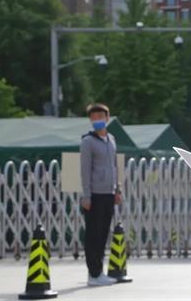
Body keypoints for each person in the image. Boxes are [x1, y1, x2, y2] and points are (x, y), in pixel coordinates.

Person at [80, 103, 122, 286]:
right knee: (93, 234)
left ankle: (100, 271)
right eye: (94, 117)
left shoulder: (111, 139)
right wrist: (86, 195)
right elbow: (85, 170)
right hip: (94, 194)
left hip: (108, 193)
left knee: (104, 233)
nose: (97, 120)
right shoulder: (87, 142)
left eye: (100, 116)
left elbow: (114, 166)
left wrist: (117, 190)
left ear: (107, 118)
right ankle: (94, 273)